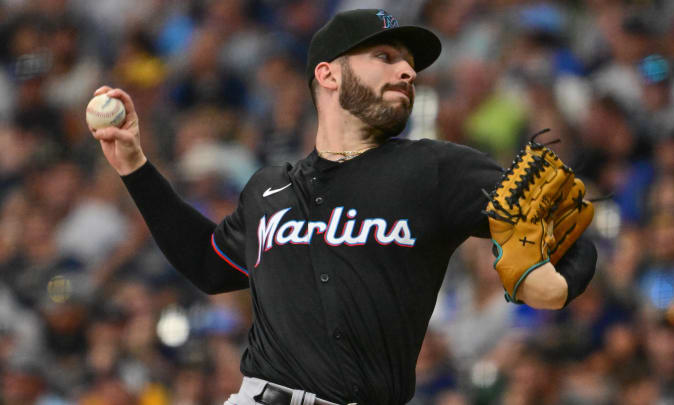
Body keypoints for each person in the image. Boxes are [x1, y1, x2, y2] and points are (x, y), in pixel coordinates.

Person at [89, 9, 597, 405]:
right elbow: (207, 262)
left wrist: (560, 283)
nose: (406, 71)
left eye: (410, 65)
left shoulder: (438, 169)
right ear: (328, 75)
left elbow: (571, 228)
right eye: (385, 57)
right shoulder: (269, 189)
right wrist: (134, 165)